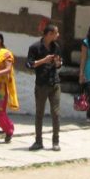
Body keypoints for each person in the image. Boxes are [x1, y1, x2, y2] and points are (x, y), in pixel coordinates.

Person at [26, 23, 63, 151]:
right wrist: (44, 60)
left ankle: (55, 141)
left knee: (56, 113)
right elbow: (29, 64)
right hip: (41, 84)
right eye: (56, 33)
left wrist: (58, 63)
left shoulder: (56, 47)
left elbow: (59, 64)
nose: (58, 35)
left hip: (55, 83)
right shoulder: (35, 47)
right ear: (49, 34)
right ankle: (38, 141)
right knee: (39, 113)